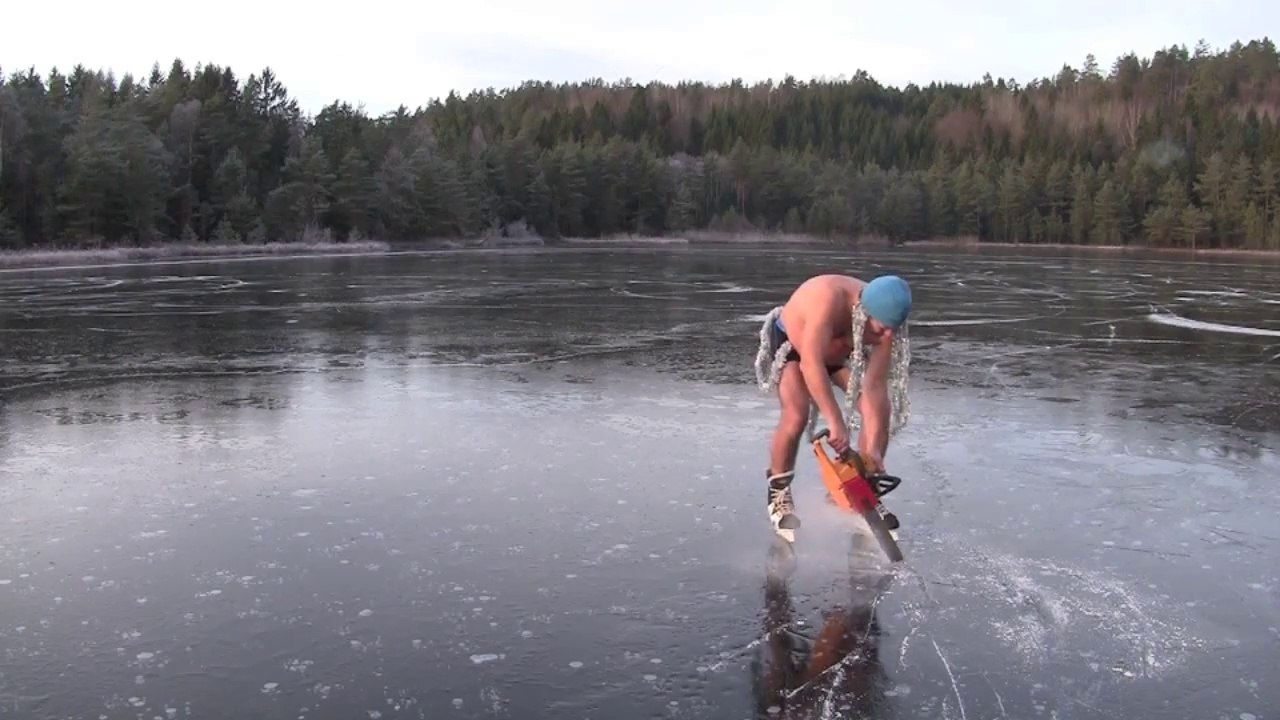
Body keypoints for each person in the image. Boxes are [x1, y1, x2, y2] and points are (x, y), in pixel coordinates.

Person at [753, 273, 912, 541]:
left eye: (891, 330)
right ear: (863, 312)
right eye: (881, 329)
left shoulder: (887, 325)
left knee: (879, 412)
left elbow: (874, 389)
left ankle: (863, 489)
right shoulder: (828, 299)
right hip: (794, 345)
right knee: (797, 412)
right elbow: (810, 364)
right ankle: (779, 491)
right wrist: (835, 420)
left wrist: (872, 452)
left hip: (835, 354)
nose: (887, 336)